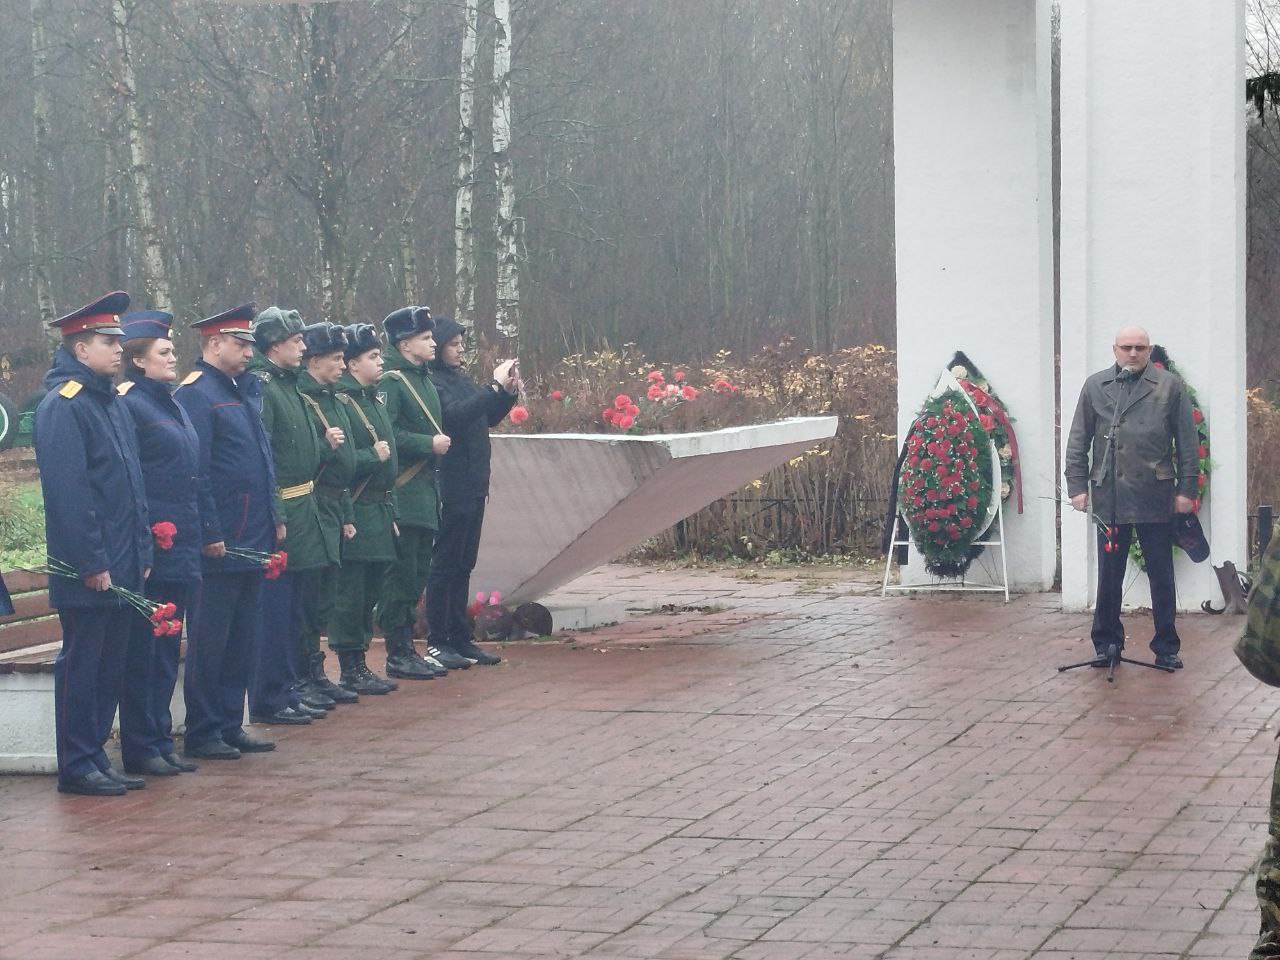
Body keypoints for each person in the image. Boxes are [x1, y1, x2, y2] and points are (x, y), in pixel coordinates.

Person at [34, 291, 153, 796]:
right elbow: (69, 493)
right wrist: (91, 561)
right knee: (83, 664)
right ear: (80, 349)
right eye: (108, 342)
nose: (118, 350)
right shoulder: (64, 407)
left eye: (119, 341)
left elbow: (130, 485)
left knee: (110, 665)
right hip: (90, 565)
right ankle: (77, 764)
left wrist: (142, 551)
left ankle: (95, 757)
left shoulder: (110, 402)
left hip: (123, 559)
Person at [1064, 325, 1201, 670]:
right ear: (1115, 350)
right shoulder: (1097, 386)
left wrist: (1186, 490)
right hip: (1110, 495)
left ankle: (1166, 646)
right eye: (1126, 347)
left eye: (1140, 347)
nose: (1133, 353)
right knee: (1109, 572)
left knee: (1161, 572)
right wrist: (1078, 486)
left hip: (1154, 494)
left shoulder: (1169, 386)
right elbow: (1079, 440)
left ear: (1150, 349)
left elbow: (1187, 443)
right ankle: (1107, 642)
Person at [175, 304, 277, 759]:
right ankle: (203, 728)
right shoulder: (198, 393)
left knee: (242, 636)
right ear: (214, 344)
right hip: (221, 540)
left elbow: (260, 463)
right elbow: (197, 471)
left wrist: (274, 518)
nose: (248, 351)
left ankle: (230, 721)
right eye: (240, 343)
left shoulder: (241, 390)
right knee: (211, 637)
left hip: (253, 535)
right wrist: (210, 529)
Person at [115, 310, 203, 777]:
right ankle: (141, 743)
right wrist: (149, 539)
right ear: (139, 360)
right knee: (146, 651)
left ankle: (159, 737)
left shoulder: (169, 401)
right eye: (164, 352)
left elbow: (189, 475)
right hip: (156, 548)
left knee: (167, 649)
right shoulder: (131, 403)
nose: (174, 357)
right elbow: (136, 483)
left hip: (182, 545)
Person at [247, 306, 334, 726]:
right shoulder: (266, 387)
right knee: (276, 611)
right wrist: (277, 512)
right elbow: (265, 459)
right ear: (275, 344)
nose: (303, 347)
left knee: (297, 607)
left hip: (305, 505)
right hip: (286, 508)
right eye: (296, 340)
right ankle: (272, 693)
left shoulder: (288, 385)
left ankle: (289, 686)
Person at [425, 317, 519, 666]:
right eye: (454, 343)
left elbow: (484, 417)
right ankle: (438, 638)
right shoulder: (433, 382)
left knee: (465, 563)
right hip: (452, 484)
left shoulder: (459, 379)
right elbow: (455, 416)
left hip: (475, 483)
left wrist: (505, 394)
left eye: (462, 343)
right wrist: (491, 389)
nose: (461, 349)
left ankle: (459, 636)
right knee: (445, 564)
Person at [377, 306, 458, 676]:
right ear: (404, 343)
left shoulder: (422, 377)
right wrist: (428, 443)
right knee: (402, 573)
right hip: (405, 492)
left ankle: (408, 645)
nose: (432, 343)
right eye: (425, 338)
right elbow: (387, 433)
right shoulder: (393, 381)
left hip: (425, 491)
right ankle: (397, 650)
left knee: (416, 574)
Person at [330, 323, 401, 692]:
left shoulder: (372, 398)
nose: (380, 361)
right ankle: (349, 664)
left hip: (378, 508)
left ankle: (359, 662)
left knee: (369, 589)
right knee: (351, 593)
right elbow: (336, 461)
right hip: (355, 507)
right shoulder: (343, 401)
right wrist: (371, 456)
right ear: (352, 365)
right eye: (372, 357)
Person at [295, 322, 361, 708]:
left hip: (335, 504)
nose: (342, 365)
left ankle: (317, 672)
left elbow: (345, 470)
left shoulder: (335, 398)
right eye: (336, 358)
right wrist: (323, 444)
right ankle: (304, 673)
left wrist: (348, 512)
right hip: (313, 504)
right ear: (314, 360)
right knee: (310, 597)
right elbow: (303, 461)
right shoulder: (305, 397)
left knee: (325, 595)